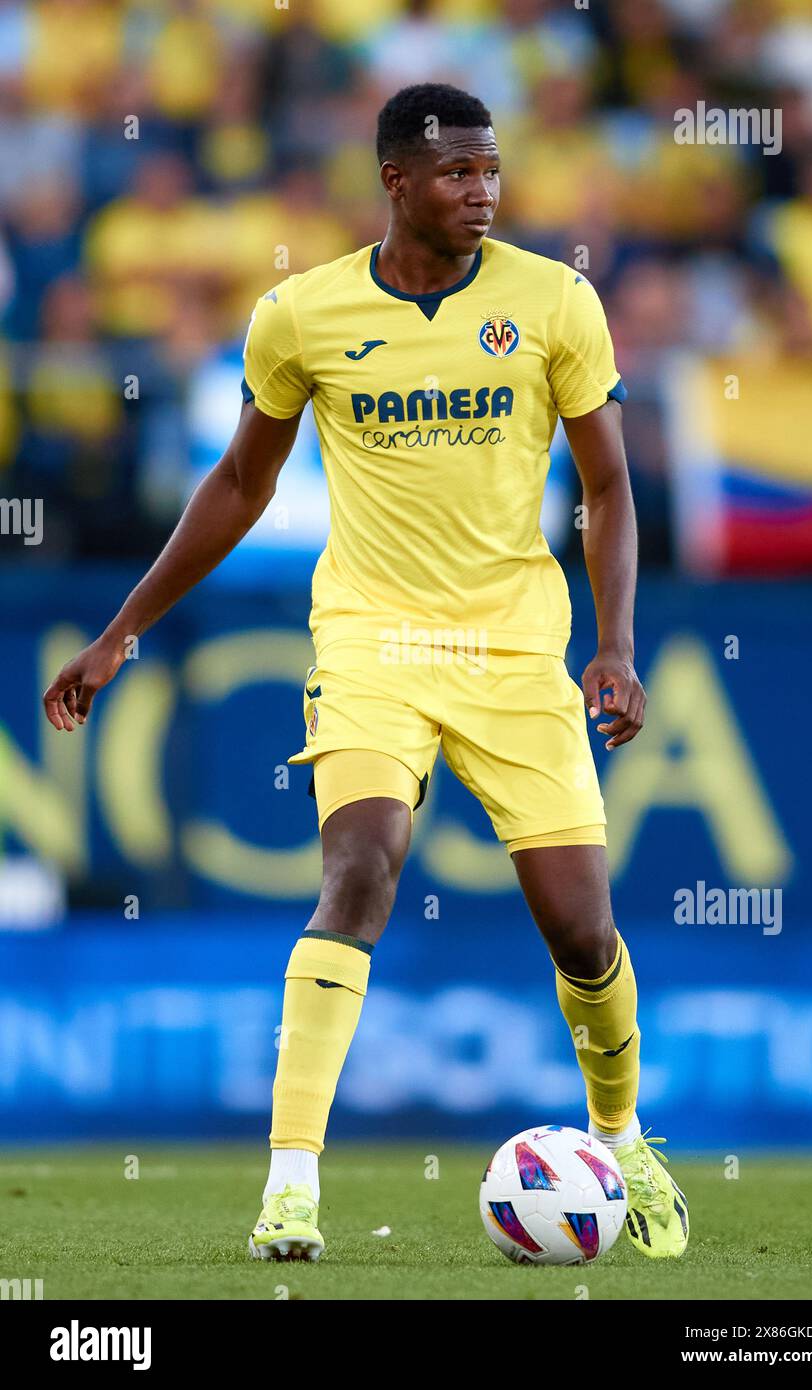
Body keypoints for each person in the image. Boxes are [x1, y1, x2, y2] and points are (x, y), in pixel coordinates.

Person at [43, 84, 688, 1264]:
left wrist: (613, 645)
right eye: (457, 174)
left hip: (511, 648)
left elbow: (605, 487)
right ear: (396, 180)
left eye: (491, 171)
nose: (482, 192)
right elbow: (238, 484)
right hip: (371, 641)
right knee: (358, 866)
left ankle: (621, 1135)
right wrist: (123, 626)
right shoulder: (302, 314)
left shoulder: (555, 301)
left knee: (580, 935)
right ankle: (290, 1183)